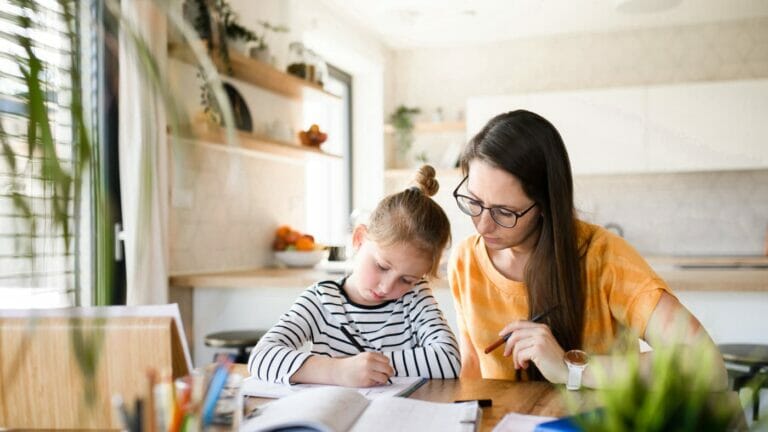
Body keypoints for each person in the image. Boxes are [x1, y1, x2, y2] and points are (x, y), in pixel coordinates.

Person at [448, 109, 727, 389]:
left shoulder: (605, 257)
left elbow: (708, 365)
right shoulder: (464, 260)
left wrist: (571, 368)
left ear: (545, 205)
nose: (482, 226)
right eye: (473, 201)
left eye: (504, 212)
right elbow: (471, 371)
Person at [250, 165, 460, 387]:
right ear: (359, 239)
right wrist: (337, 371)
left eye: (407, 280)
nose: (387, 287)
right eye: (382, 266)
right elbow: (262, 357)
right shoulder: (321, 300)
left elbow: (449, 359)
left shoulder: (415, 298)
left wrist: (368, 367)